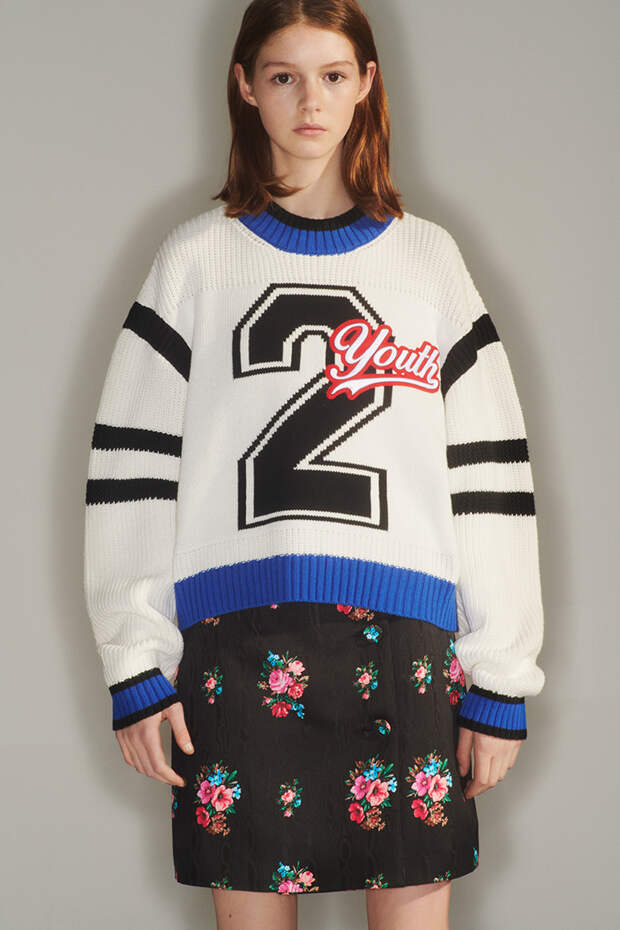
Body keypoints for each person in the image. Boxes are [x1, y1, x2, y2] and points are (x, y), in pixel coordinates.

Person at [82, 2, 546, 928]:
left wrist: (501, 674)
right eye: (284, 76)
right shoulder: (195, 261)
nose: (310, 101)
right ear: (245, 87)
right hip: (236, 649)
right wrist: (135, 661)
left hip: (407, 650)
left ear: (367, 84)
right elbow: (132, 467)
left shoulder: (428, 263)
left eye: (333, 76)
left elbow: (489, 475)